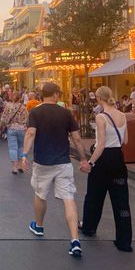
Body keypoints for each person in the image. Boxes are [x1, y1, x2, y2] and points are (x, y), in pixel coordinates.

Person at [21, 82, 88, 258]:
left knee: (40, 194)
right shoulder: (66, 113)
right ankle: (74, 240)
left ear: (43, 95)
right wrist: (83, 159)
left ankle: (39, 225)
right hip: (63, 161)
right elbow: (77, 139)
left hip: (42, 161)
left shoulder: (35, 112)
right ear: (56, 94)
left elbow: (30, 134)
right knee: (68, 198)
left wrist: (23, 154)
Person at [80, 86, 132, 252]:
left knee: (95, 195)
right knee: (121, 200)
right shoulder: (123, 115)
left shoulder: (101, 117)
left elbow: (101, 144)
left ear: (98, 98)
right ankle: (124, 240)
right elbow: (125, 141)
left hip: (103, 160)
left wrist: (91, 162)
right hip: (118, 158)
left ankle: (89, 226)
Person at [1, 92, 28, 174]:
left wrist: (1, 126)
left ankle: (14, 167)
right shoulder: (23, 107)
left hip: (11, 128)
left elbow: (3, 118)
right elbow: (27, 118)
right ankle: (20, 165)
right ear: (20, 98)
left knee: (13, 148)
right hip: (21, 128)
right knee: (21, 147)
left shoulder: (8, 107)